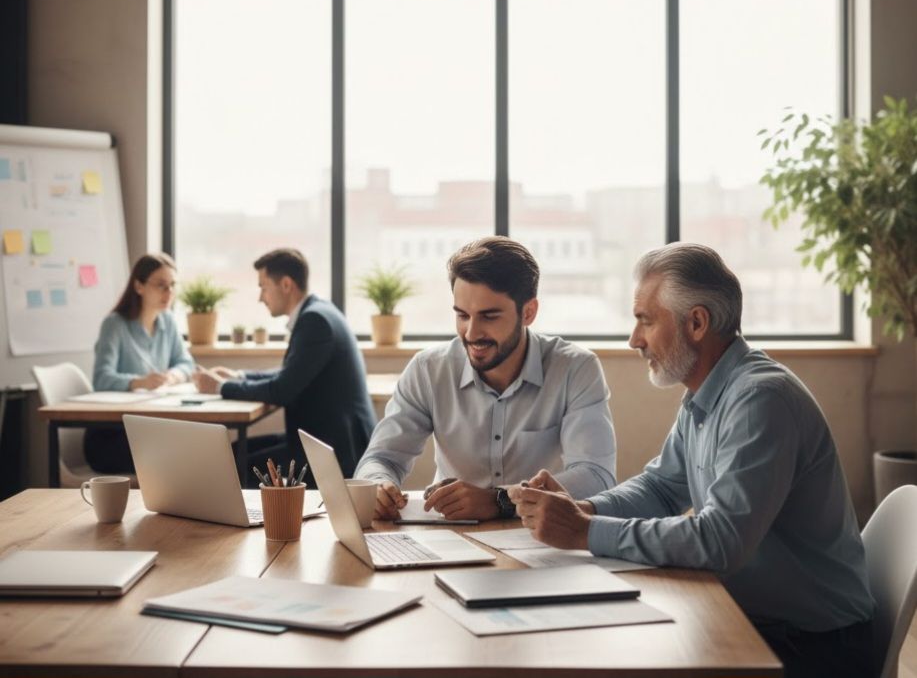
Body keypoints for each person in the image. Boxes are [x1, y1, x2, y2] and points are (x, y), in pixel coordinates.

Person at [510, 243, 876, 678]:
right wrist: (583, 509)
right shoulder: (708, 393)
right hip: (761, 622)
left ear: (697, 323)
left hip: (814, 648)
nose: (634, 339)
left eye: (646, 320)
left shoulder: (760, 400)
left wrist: (584, 531)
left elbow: (720, 541)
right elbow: (662, 488)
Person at [354, 236, 617, 522]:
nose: (471, 333)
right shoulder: (428, 369)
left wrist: (500, 500)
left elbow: (596, 475)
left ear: (528, 312)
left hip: (540, 536)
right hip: (449, 533)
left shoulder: (575, 369)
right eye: (462, 315)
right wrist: (377, 485)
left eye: (489, 317)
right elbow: (381, 458)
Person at [193, 248, 376, 486]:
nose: (261, 297)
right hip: (324, 439)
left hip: (334, 451)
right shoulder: (320, 311)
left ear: (286, 285)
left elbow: (281, 390)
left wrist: (220, 387)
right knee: (233, 453)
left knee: (233, 465)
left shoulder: (315, 321)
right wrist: (238, 375)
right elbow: (291, 374)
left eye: (263, 287)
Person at [85, 252, 193, 472]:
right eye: (161, 285)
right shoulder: (114, 325)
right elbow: (101, 378)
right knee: (183, 456)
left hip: (148, 431)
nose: (169, 292)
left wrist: (174, 376)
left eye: (172, 285)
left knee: (191, 450)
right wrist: (140, 382)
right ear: (139, 286)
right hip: (111, 437)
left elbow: (186, 363)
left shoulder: (168, 321)